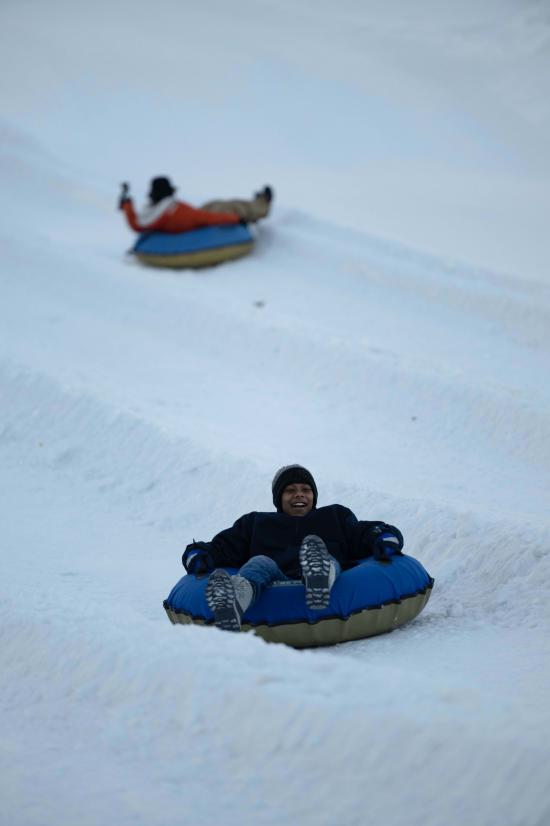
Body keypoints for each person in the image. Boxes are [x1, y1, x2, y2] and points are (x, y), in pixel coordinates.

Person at [182, 464, 404, 632]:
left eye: (306, 489)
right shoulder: (256, 523)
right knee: (260, 562)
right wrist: (199, 554)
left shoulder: (334, 516)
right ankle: (235, 600)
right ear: (279, 498)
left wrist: (383, 537)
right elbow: (224, 546)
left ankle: (318, 575)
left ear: (314, 496)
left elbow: (363, 533)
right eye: (290, 490)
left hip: (326, 575)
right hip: (274, 578)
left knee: (323, 556)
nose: (299, 494)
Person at [118, 176, 273, 234]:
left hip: (195, 215)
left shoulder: (152, 213)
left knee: (215, 203)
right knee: (228, 207)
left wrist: (127, 205)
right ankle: (262, 205)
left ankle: (256, 203)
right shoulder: (171, 211)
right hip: (195, 220)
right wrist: (236, 220)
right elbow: (206, 218)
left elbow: (135, 223)